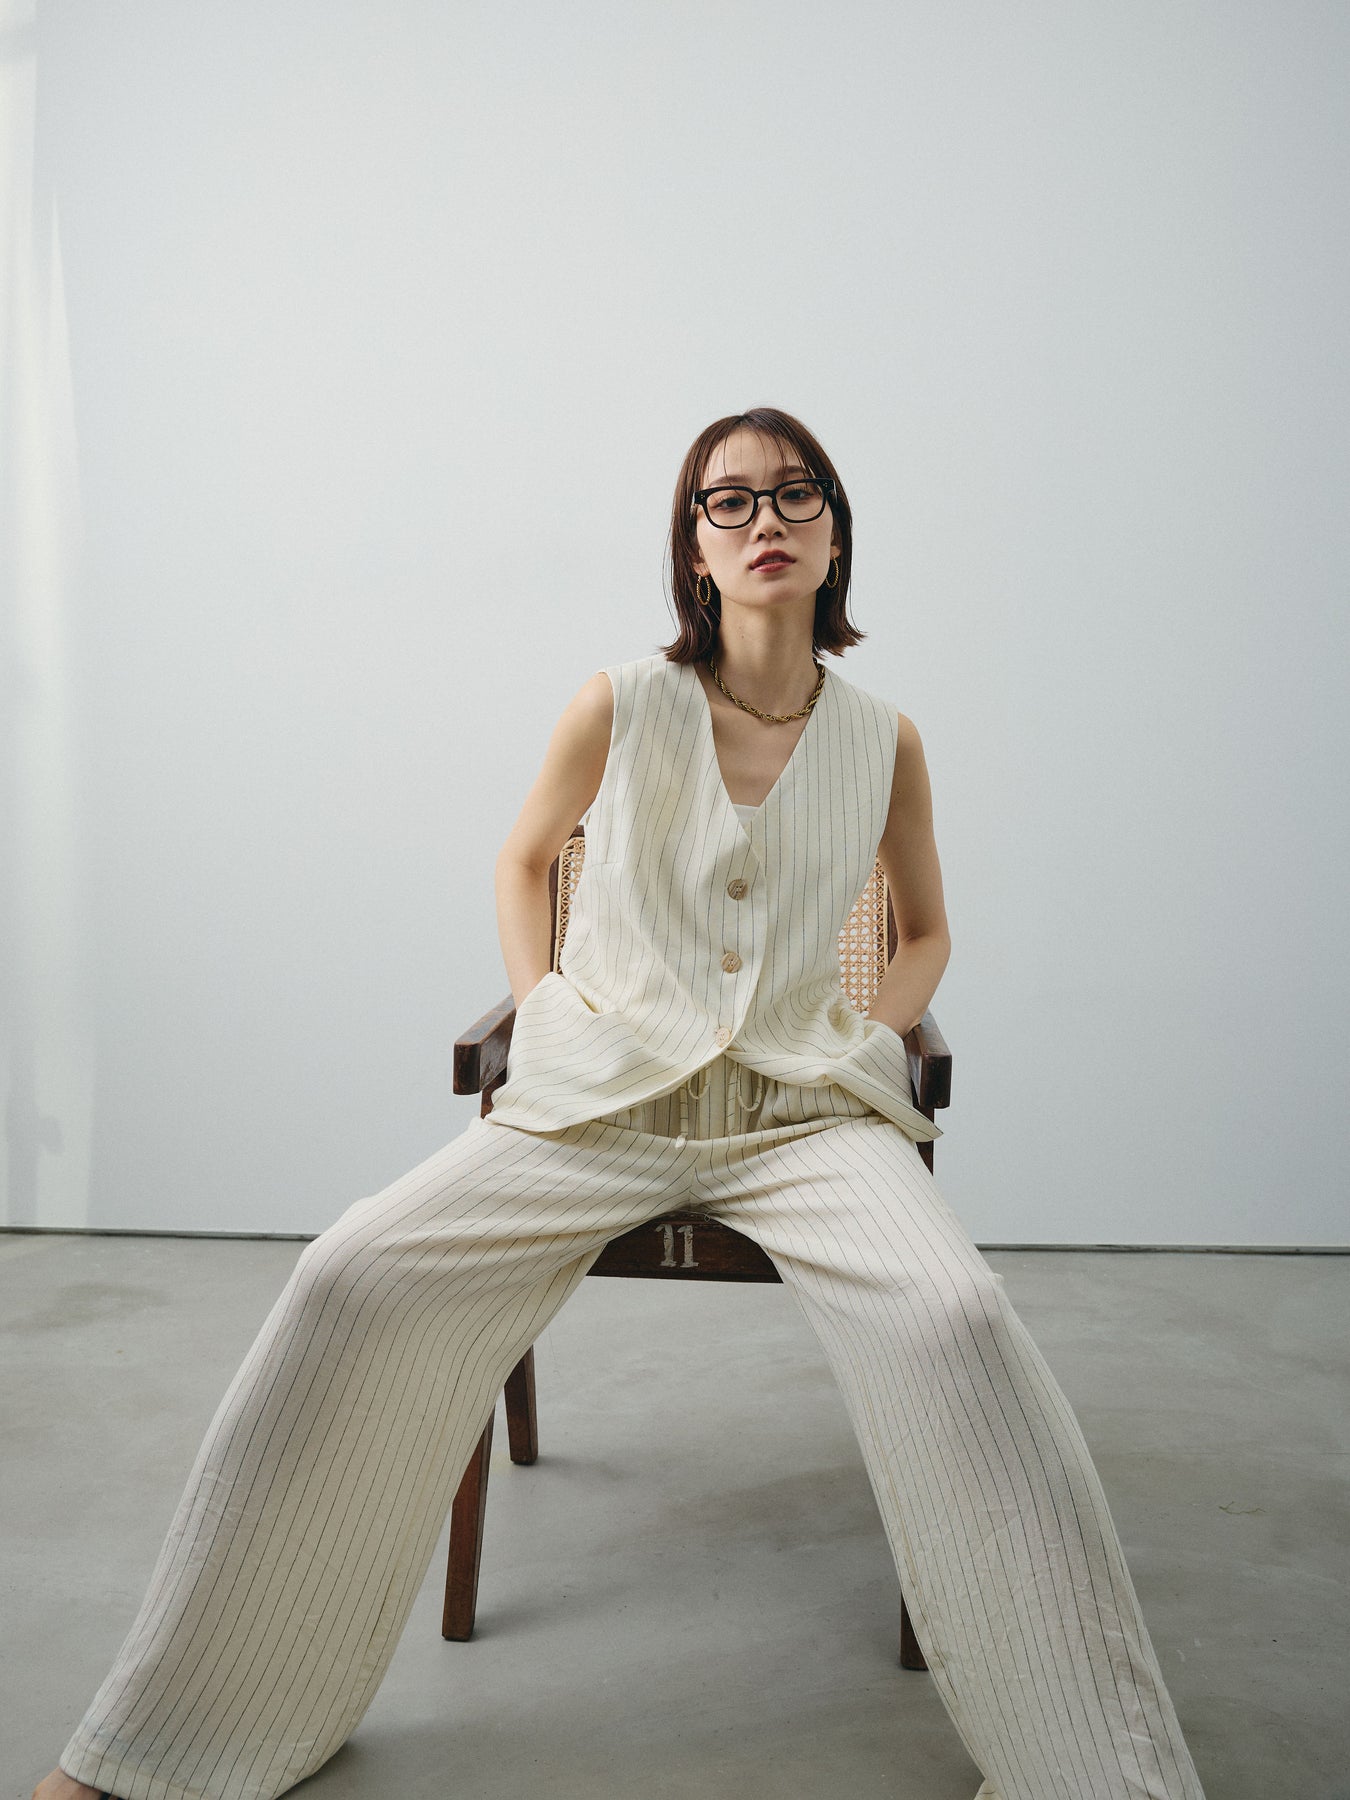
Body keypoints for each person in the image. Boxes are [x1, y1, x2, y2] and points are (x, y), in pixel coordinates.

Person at [34, 408, 1207, 1800]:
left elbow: (928, 930)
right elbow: (524, 860)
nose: (764, 520)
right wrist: (544, 1012)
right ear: (693, 548)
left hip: (801, 1117)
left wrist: (867, 1039)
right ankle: (161, 1744)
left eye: (796, 495)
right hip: (598, 1103)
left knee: (959, 1320)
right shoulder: (619, 704)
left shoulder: (885, 740)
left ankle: (1094, 1774)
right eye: (729, 502)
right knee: (346, 1273)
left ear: (835, 534)